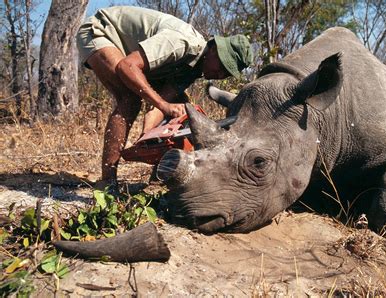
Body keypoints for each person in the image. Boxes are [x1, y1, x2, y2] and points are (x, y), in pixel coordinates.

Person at [76, 6, 253, 192]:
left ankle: (159, 179)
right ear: (214, 49)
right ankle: (108, 182)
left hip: (130, 54)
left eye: (227, 73)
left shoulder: (192, 70)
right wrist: (163, 105)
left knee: (181, 108)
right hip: (101, 30)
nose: (220, 74)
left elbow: (161, 105)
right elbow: (127, 66)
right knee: (129, 99)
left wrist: (149, 138)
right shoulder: (181, 42)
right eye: (223, 66)